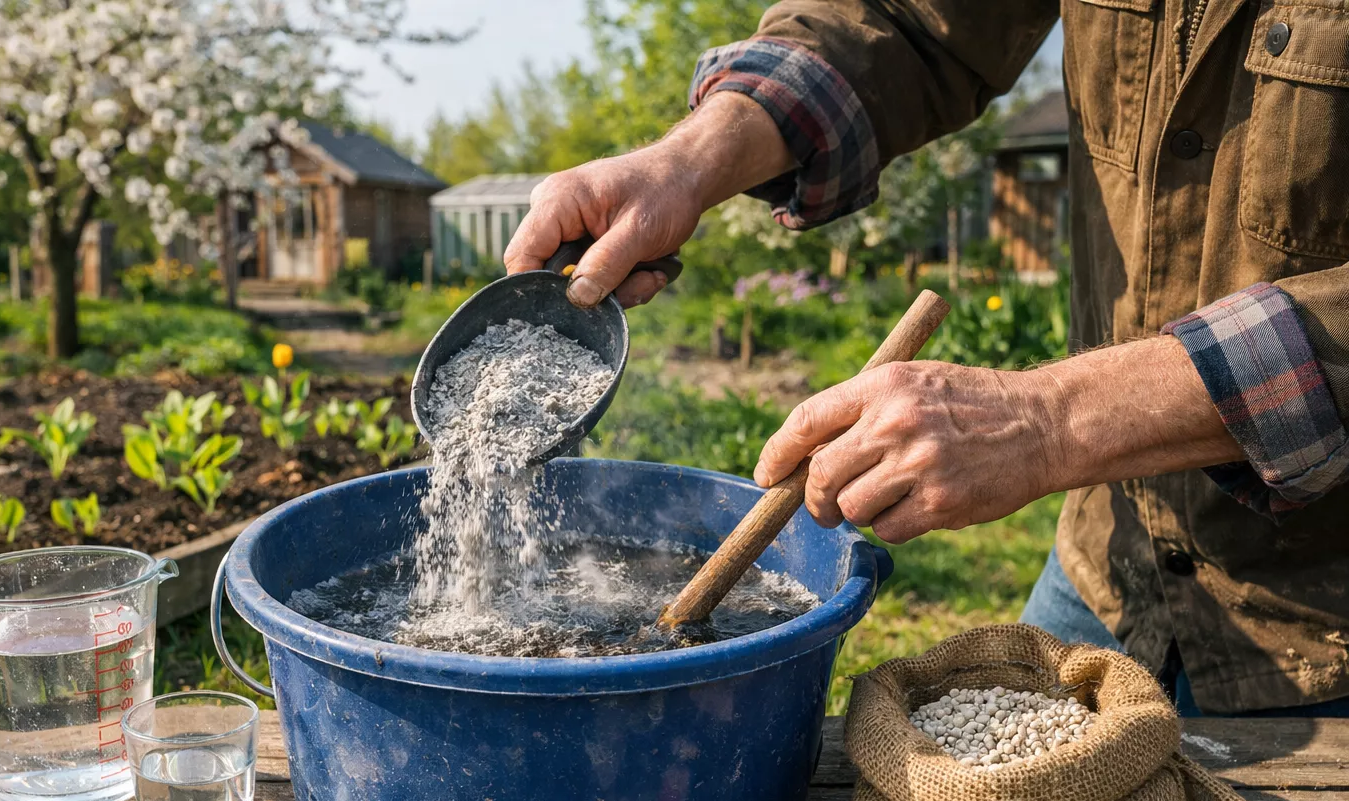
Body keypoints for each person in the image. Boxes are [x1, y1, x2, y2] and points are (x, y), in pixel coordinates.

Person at [504, 0, 1349, 716]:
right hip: (1115, 558)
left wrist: (1050, 419)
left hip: (1323, 606)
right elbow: (911, 21)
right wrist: (687, 159)